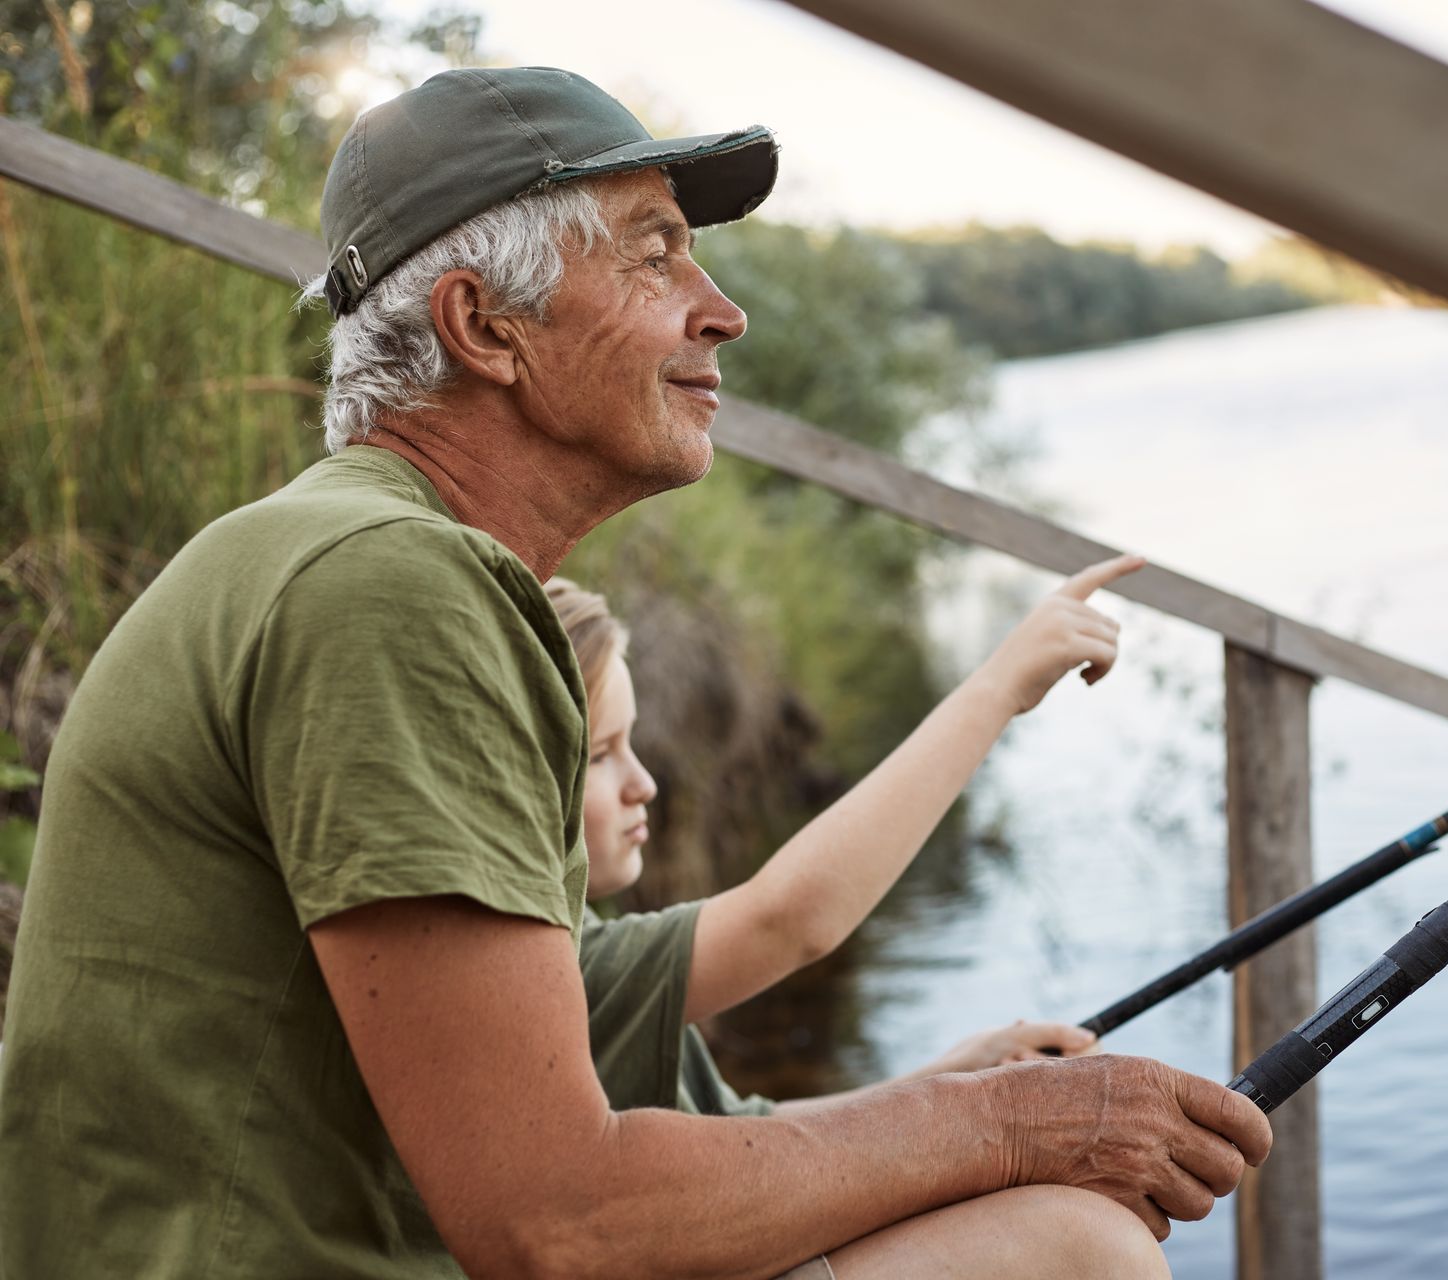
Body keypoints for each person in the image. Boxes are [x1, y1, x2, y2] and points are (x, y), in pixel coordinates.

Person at [0, 67, 1271, 1279]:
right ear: (483, 325)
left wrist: (967, 1106)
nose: (722, 307)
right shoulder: (386, 587)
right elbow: (563, 1224)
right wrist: (1023, 1126)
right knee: (1069, 1243)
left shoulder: (358, 560)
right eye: (655, 252)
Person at [547, 572, 1112, 1122]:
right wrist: (1002, 685)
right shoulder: (564, 973)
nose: (643, 784)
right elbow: (788, 921)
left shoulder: (578, 948)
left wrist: (954, 1080)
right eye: (599, 755)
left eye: (632, 743)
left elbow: (744, 1130)